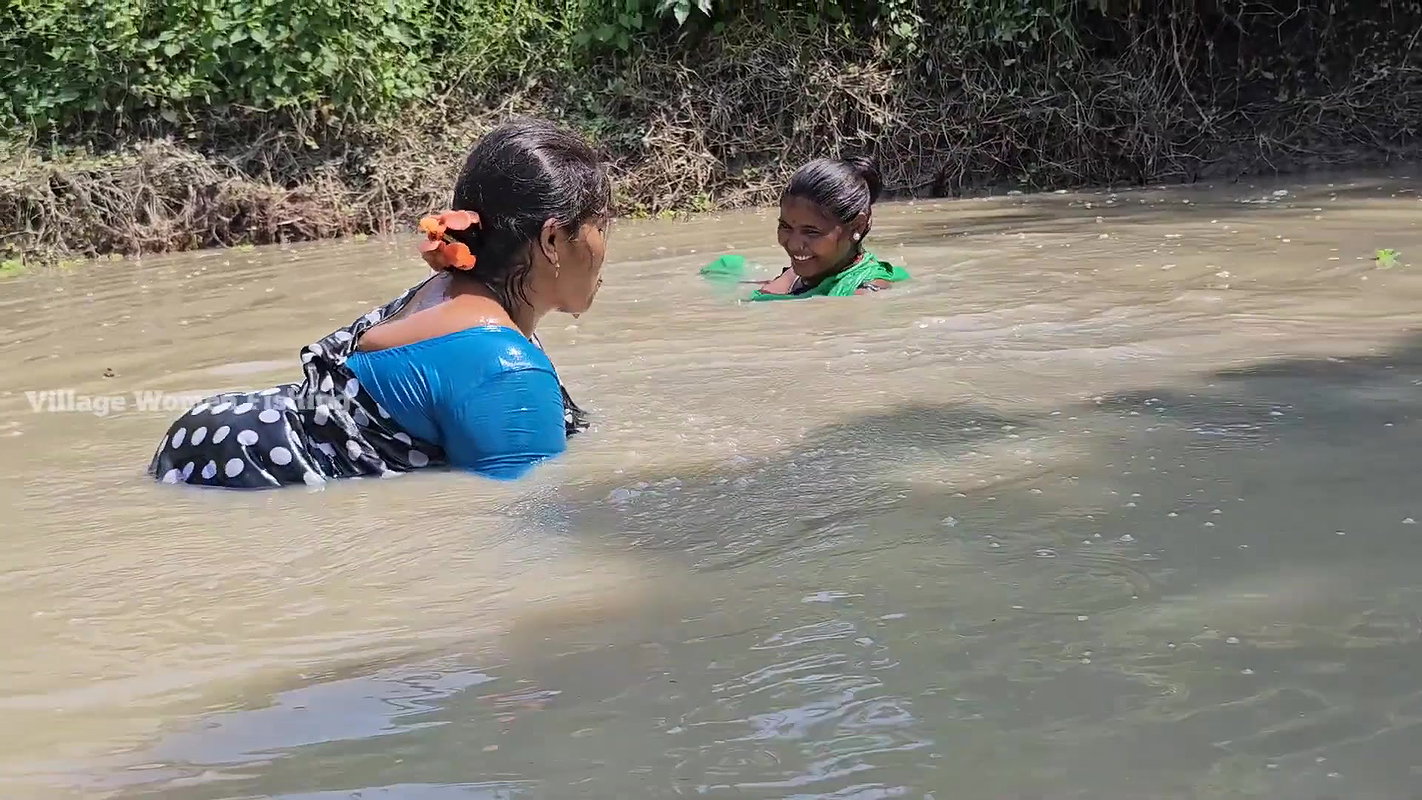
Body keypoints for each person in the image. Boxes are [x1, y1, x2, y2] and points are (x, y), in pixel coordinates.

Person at [148, 118, 611, 489]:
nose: (605, 245)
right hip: (244, 473)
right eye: (600, 226)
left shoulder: (448, 295)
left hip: (219, 438)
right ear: (552, 238)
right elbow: (521, 519)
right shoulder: (504, 367)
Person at [699, 155, 909, 299]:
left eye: (811, 232)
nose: (793, 243)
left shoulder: (867, 291)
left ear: (858, 225)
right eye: (786, 227)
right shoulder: (808, 274)